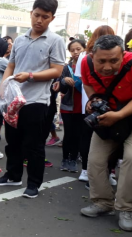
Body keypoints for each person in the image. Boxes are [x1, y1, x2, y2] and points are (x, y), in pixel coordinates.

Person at [0, 0, 66, 198]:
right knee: (12, 141)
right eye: (36, 15)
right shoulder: (20, 39)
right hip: (14, 100)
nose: (39, 20)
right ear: (31, 13)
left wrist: (30, 76)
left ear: (52, 18)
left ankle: (33, 183)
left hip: (37, 101)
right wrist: (1, 90)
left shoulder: (55, 40)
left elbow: (57, 70)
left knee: (33, 144)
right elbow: (10, 67)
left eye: (45, 17)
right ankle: (13, 175)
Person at [79, 35, 132, 231]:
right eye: (102, 61)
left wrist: (118, 115)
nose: (108, 67)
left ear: (123, 55)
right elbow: (87, 84)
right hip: (107, 116)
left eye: (114, 60)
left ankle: (127, 208)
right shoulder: (86, 63)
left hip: (125, 114)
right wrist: (93, 99)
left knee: (130, 159)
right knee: (95, 160)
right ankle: (103, 202)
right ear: (93, 56)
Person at [74, 25, 115, 188]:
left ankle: (101, 171)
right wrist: (91, 98)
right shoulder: (85, 57)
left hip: (102, 105)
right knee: (93, 139)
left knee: (102, 139)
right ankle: (88, 170)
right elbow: (80, 81)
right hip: (92, 104)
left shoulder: (117, 57)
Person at [56, 39, 86, 172]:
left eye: (78, 49)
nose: (75, 52)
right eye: (72, 50)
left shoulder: (88, 66)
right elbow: (60, 89)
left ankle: (73, 159)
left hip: (83, 106)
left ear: (84, 49)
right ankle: (64, 159)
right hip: (67, 106)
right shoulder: (65, 68)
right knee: (68, 134)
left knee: (77, 134)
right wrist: (63, 80)